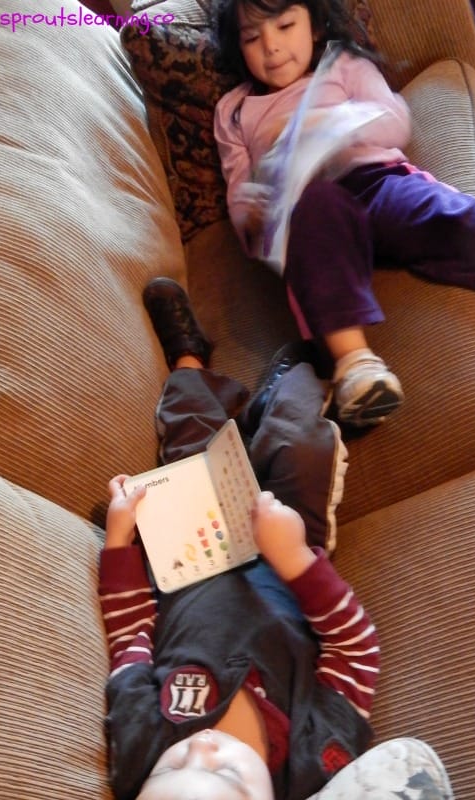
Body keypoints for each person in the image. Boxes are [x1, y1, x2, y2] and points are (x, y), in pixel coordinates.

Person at [98, 277, 379, 800]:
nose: (200, 748)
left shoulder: (139, 746)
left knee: (188, 431)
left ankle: (189, 359)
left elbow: (129, 635)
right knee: (302, 439)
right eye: (225, 774)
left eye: (172, 765)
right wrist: (294, 557)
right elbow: (355, 650)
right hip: (289, 558)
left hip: (190, 544)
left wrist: (118, 542)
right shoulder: (318, 759)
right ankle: (290, 380)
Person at [212, 0, 475, 428]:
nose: (271, 47)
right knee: (313, 223)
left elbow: (394, 120)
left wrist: (328, 124)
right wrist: (253, 215)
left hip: (378, 182)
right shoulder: (234, 110)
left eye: (284, 25)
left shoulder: (343, 65)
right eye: (252, 37)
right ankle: (355, 366)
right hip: (308, 211)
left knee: (452, 218)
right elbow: (239, 191)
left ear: (314, 27)